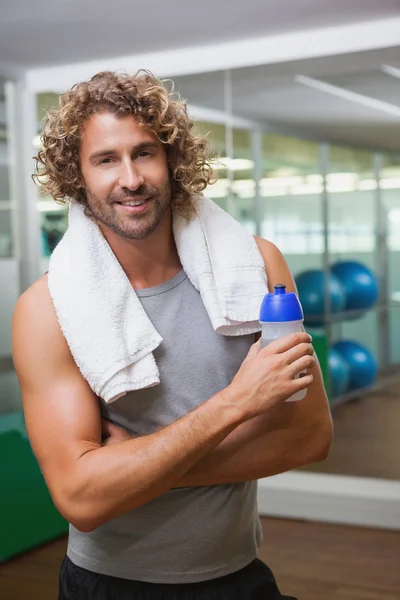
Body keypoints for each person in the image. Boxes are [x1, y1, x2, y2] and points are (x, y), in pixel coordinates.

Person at [12, 70, 333, 600]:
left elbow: (309, 436)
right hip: (111, 584)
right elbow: (81, 499)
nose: (131, 179)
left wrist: (136, 470)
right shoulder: (47, 310)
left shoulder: (255, 267)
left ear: (172, 162)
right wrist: (237, 403)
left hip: (239, 573)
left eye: (144, 153)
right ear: (77, 176)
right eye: (105, 159)